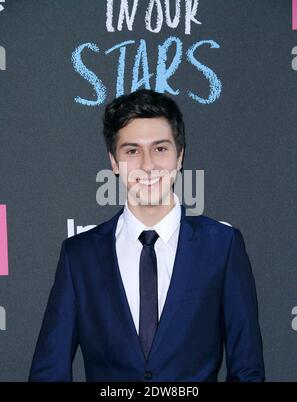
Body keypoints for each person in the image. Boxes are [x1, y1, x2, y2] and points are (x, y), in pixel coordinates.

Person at [28, 89, 265, 382]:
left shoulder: (222, 246)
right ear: (114, 162)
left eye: (160, 149)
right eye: (132, 151)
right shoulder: (79, 255)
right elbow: (49, 372)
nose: (148, 165)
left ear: (180, 156)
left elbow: (247, 370)